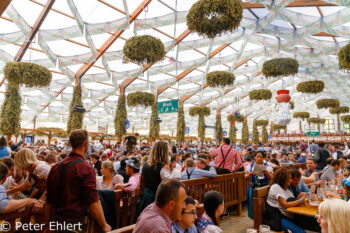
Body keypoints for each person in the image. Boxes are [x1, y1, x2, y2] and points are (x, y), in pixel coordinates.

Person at [45, 129, 111, 233]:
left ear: (71, 143)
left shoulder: (56, 167)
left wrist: (48, 225)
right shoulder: (86, 168)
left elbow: (49, 200)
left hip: (56, 220)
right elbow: (92, 201)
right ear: (85, 144)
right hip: (75, 222)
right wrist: (104, 225)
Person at [136, 141, 171, 219]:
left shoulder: (145, 164)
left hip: (145, 195)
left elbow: (141, 181)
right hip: (156, 198)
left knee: (144, 218)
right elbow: (167, 186)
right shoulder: (164, 166)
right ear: (164, 152)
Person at [264, 167, 306, 233]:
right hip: (277, 218)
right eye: (289, 178)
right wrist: (300, 201)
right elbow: (284, 204)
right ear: (283, 179)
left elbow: (291, 200)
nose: (291, 180)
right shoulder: (275, 187)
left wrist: (299, 197)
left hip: (288, 216)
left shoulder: (285, 188)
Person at [245, 151, 273, 219]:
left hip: (264, 187)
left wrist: (266, 172)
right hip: (253, 187)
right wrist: (249, 175)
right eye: (257, 156)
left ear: (263, 158)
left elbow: (272, 177)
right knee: (253, 204)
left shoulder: (267, 166)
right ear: (255, 157)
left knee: (264, 204)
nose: (259, 158)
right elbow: (245, 176)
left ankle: (264, 219)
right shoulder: (250, 166)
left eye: (261, 157)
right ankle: (255, 220)